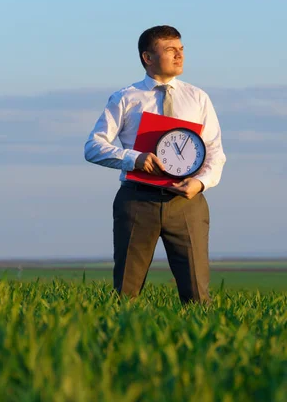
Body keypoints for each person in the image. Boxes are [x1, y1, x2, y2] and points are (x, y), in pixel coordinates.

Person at [84, 25, 226, 304]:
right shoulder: (125, 98)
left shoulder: (198, 98)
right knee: (126, 293)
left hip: (187, 203)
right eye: (170, 50)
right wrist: (134, 158)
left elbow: (215, 152)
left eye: (181, 50)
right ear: (147, 57)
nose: (179, 56)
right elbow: (93, 146)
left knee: (198, 297)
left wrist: (199, 183)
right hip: (137, 201)